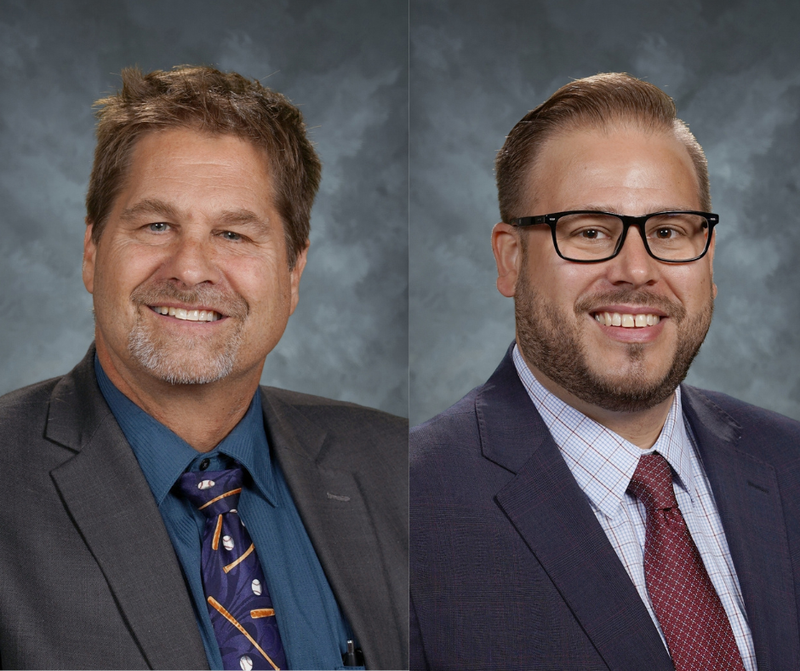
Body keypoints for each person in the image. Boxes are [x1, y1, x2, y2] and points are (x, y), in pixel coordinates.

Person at [0, 66, 407, 671]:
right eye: (156, 225)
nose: (190, 270)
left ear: (293, 274)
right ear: (92, 252)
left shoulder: (402, 469)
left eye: (234, 234)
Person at [409, 73, 800, 670]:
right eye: (590, 232)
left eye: (668, 231)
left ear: (708, 259)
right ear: (511, 259)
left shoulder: (789, 464)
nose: (637, 271)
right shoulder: (406, 509)